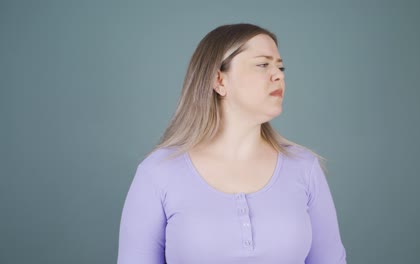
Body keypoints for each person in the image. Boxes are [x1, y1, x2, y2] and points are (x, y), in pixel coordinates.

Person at [117, 23, 347, 264]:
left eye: (281, 66)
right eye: (262, 64)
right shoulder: (158, 172)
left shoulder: (304, 167)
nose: (279, 75)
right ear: (219, 81)